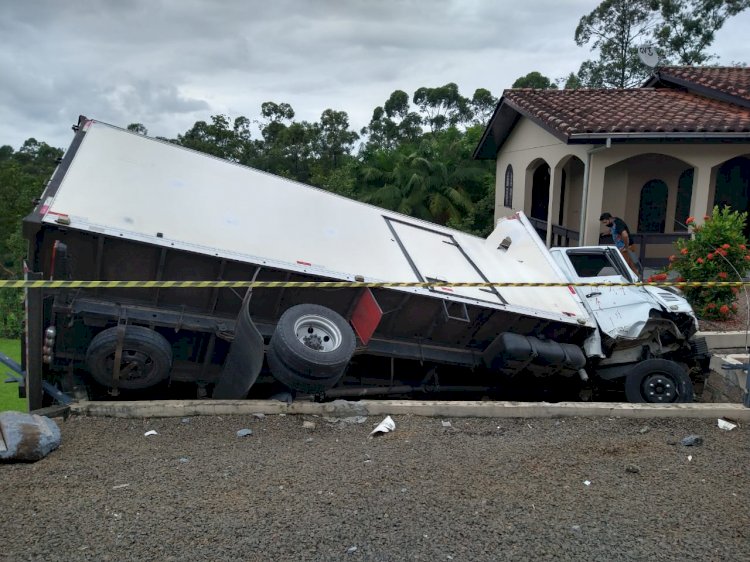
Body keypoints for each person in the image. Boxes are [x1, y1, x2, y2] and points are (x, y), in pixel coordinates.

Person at [599, 212, 641, 277]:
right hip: (623, 247)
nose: (605, 224)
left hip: (625, 247)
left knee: (624, 266)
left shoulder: (618, 224)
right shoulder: (614, 221)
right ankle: (638, 279)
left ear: (610, 219)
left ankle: (628, 279)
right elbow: (613, 230)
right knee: (630, 266)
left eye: (605, 222)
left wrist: (626, 247)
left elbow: (625, 235)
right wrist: (606, 233)